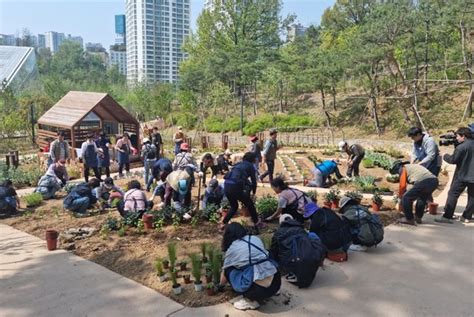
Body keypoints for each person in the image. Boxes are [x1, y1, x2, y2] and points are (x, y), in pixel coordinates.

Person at [220, 223, 281, 311]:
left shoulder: (232, 249)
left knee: (228, 269)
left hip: (258, 291)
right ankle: (272, 292)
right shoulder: (255, 238)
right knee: (263, 258)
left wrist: (220, 286)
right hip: (276, 282)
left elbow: (224, 275)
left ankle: (250, 301)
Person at [270, 214, 326, 288]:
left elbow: (274, 251)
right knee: (311, 235)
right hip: (312, 259)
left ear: (281, 223)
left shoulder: (278, 233)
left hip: (291, 262)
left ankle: (293, 273)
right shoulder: (302, 229)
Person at [435, 127, 474, 224]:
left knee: (453, 194)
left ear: (463, 136)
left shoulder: (461, 147)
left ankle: (447, 217)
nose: (456, 138)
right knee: (472, 197)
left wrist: (444, 155)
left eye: (457, 136)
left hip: (462, 176)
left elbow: (453, 160)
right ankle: (466, 217)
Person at [222, 152, 262, 232]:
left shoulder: (238, 164)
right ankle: (257, 223)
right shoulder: (250, 166)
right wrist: (253, 192)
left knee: (234, 206)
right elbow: (254, 181)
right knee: (250, 204)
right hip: (235, 186)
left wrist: (248, 188)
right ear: (253, 160)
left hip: (227, 185)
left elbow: (242, 178)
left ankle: (223, 223)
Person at [390, 160, 439, 225]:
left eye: (396, 172)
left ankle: (409, 219)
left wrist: (400, 199)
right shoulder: (411, 167)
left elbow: (402, 186)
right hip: (434, 181)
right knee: (421, 198)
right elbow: (413, 185)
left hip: (425, 181)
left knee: (406, 197)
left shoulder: (403, 168)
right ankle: (418, 218)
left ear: (396, 167)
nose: (398, 173)